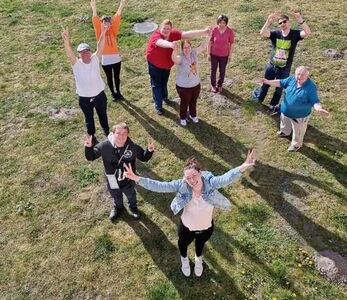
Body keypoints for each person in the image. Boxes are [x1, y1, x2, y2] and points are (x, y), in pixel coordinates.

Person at [123, 150, 256, 277]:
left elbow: (225, 178)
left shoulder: (210, 183)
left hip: (206, 227)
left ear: (200, 173)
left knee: (200, 244)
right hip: (186, 226)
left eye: (194, 176)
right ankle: (184, 259)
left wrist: (243, 166)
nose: (192, 180)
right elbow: (160, 186)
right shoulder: (182, 185)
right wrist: (136, 178)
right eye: (188, 178)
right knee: (183, 244)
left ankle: (198, 260)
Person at [85, 122, 155, 221]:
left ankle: (133, 208)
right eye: (118, 133)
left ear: (128, 134)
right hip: (111, 178)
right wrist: (88, 147)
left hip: (128, 177)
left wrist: (149, 150)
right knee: (116, 195)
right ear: (113, 133)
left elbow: (144, 157)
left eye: (124, 133)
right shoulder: (104, 146)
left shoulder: (132, 147)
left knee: (131, 195)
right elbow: (91, 157)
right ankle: (119, 207)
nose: (121, 136)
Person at [145, 20, 210, 115]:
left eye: (168, 29)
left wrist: (203, 32)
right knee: (156, 85)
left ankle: (165, 98)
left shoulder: (173, 34)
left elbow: (186, 34)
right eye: (164, 28)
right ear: (160, 28)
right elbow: (160, 42)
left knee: (164, 82)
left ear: (171, 29)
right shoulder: (156, 36)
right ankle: (158, 106)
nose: (166, 31)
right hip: (155, 64)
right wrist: (171, 45)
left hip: (166, 65)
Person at [260, 66, 330, 152]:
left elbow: (315, 101)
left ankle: (296, 144)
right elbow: (280, 82)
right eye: (298, 74)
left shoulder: (311, 88)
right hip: (285, 112)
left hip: (299, 116)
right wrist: (267, 82)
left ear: (308, 75)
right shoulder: (291, 79)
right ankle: (285, 132)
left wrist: (319, 109)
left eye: (302, 75)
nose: (299, 77)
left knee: (298, 131)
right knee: (284, 122)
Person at [258, 10, 311, 113]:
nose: (282, 24)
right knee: (265, 84)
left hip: (285, 69)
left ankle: (273, 106)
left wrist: (300, 21)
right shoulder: (276, 34)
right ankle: (259, 100)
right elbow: (262, 33)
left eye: (284, 21)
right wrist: (268, 22)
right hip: (272, 66)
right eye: (280, 23)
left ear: (289, 22)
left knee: (279, 89)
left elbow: (308, 32)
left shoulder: (295, 34)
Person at [62, 25, 109, 143]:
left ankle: (107, 131)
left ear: (90, 52)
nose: (85, 54)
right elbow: (69, 53)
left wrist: (103, 32)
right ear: (79, 54)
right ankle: (92, 136)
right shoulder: (76, 64)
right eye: (82, 52)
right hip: (84, 98)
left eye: (87, 51)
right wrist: (66, 40)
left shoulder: (95, 59)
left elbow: (100, 45)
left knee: (102, 114)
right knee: (89, 118)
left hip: (99, 95)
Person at [91, 0, 126, 101]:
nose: (106, 23)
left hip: (116, 58)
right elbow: (95, 21)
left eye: (108, 22)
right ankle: (112, 93)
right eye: (104, 22)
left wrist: (121, 5)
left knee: (117, 77)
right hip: (105, 59)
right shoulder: (99, 33)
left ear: (110, 24)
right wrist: (93, 8)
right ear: (101, 23)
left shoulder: (113, 30)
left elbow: (117, 17)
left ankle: (118, 92)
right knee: (109, 77)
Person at [171, 36, 209, 126]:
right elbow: (174, 58)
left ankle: (193, 115)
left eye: (188, 47)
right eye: (185, 47)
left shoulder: (194, 53)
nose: (187, 49)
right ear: (182, 49)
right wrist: (174, 50)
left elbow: (203, 46)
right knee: (185, 103)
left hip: (196, 85)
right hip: (183, 87)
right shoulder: (180, 57)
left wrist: (209, 35)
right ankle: (183, 117)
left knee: (193, 101)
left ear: (191, 47)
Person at [209, 14, 235, 93]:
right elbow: (209, 42)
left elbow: (232, 43)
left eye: (223, 23)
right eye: (220, 22)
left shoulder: (230, 31)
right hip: (214, 54)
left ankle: (220, 85)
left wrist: (230, 55)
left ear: (226, 23)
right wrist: (208, 53)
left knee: (222, 70)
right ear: (218, 22)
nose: (222, 24)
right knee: (213, 70)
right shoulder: (214, 30)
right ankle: (213, 85)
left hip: (224, 55)